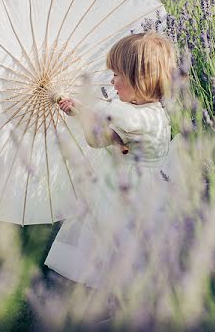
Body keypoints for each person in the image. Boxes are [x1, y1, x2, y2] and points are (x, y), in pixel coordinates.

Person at [47, 31, 178, 287]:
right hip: (146, 191)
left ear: (140, 80)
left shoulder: (130, 116)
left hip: (125, 197)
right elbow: (106, 135)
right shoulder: (152, 113)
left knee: (115, 245)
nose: (112, 81)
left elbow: (100, 134)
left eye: (117, 75)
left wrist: (86, 114)